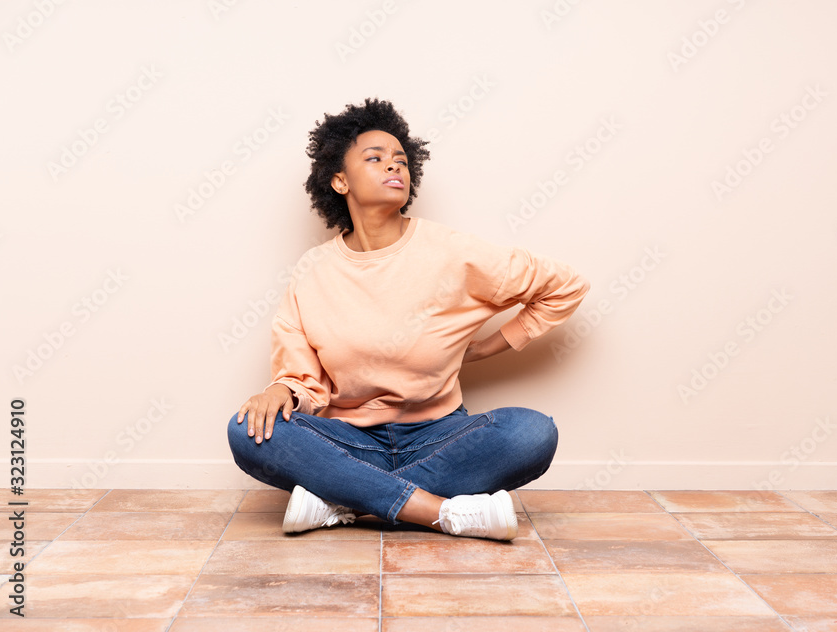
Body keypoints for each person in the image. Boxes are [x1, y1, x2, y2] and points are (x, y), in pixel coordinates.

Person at [227, 98, 590, 541]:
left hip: (441, 437)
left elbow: (565, 286)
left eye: (401, 159)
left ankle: (346, 501)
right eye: (375, 158)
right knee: (247, 431)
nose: (394, 166)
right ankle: (441, 512)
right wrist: (279, 390)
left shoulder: (453, 252)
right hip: (350, 442)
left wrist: (483, 348)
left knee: (531, 432)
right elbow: (303, 380)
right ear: (339, 180)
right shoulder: (311, 273)